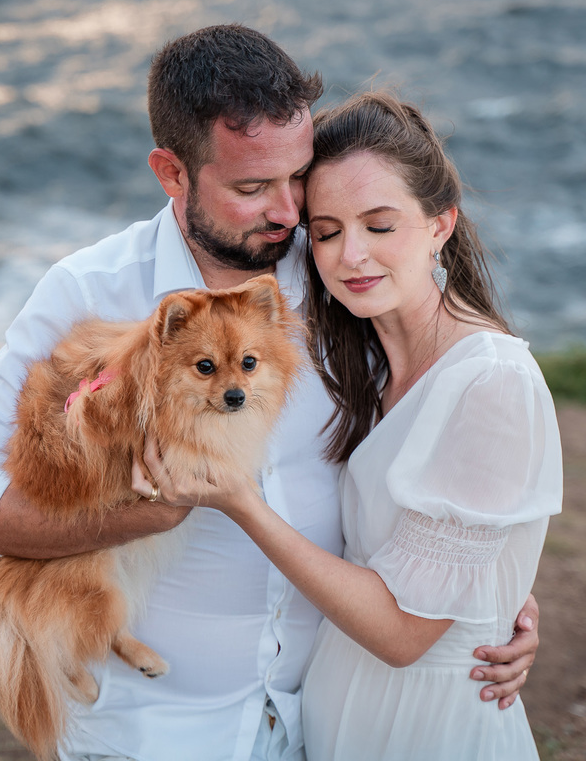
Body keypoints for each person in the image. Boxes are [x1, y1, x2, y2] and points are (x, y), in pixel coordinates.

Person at [0, 25, 538, 761]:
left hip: (319, 720)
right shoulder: (89, 290)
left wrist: (472, 597)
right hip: (149, 733)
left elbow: (429, 456)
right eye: (253, 188)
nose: (288, 212)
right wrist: (144, 516)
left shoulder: (340, 283)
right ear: (172, 172)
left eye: (298, 178)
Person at [136, 91, 562, 759]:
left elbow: (402, 633)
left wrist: (240, 503)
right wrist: (488, 579)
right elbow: (434, 545)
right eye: (328, 231)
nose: (351, 256)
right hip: (339, 722)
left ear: (441, 224)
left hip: (426, 727)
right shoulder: (365, 360)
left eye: (381, 225)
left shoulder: (490, 380)